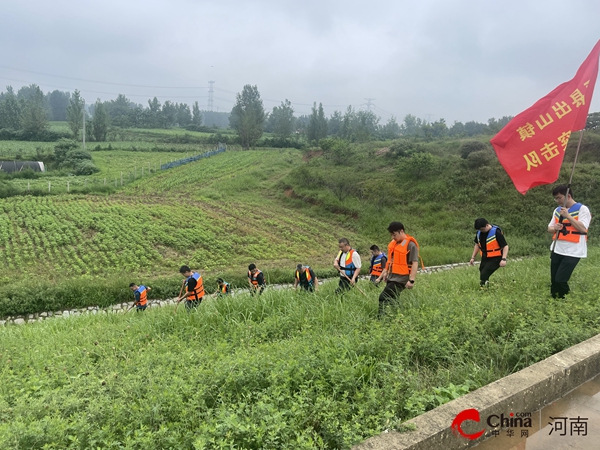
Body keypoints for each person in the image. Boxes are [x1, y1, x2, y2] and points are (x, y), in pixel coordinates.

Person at [547, 185, 591, 299]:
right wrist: (555, 228)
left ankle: (564, 300)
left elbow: (582, 228)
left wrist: (568, 216)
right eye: (555, 198)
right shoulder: (557, 210)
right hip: (557, 248)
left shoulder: (583, 209)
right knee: (554, 280)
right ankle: (553, 300)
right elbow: (549, 229)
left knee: (560, 280)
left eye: (559, 198)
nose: (557, 201)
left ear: (568, 196)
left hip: (573, 251)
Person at [376, 222, 419, 317]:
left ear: (401, 231)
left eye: (394, 234)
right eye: (391, 235)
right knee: (393, 299)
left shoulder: (411, 245)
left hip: (401, 278)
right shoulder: (394, 244)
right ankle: (398, 318)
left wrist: (411, 280)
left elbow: (415, 263)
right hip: (393, 276)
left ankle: (380, 320)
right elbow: (391, 261)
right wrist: (386, 272)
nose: (392, 237)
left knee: (383, 297)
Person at [469, 218, 509, 288]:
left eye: (482, 229)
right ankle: (485, 287)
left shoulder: (496, 232)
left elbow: (505, 246)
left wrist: (504, 259)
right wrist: (473, 257)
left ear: (487, 225)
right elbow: (477, 245)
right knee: (481, 270)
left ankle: (483, 289)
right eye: (480, 230)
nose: (481, 231)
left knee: (484, 273)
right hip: (485, 256)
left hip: (496, 257)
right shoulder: (479, 233)